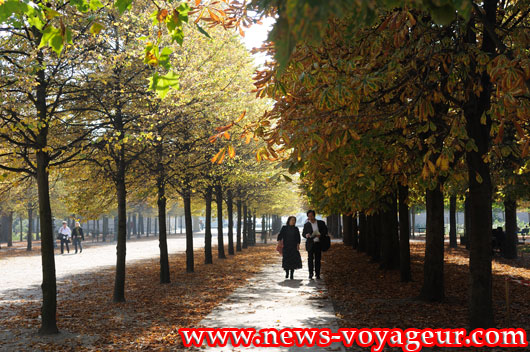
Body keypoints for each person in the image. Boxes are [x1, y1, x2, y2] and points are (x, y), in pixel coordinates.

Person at [302, 210, 328, 280]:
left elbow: (325, 231)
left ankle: (317, 274)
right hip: (310, 244)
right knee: (310, 259)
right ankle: (310, 273)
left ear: (314, 215)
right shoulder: (306, 225)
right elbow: (303, 233)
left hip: (318, 243)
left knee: (318, 259)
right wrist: (306, 235)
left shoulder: (321, 223)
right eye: (309, 216)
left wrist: (321, 234)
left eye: (312, 216)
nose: (310, 217)